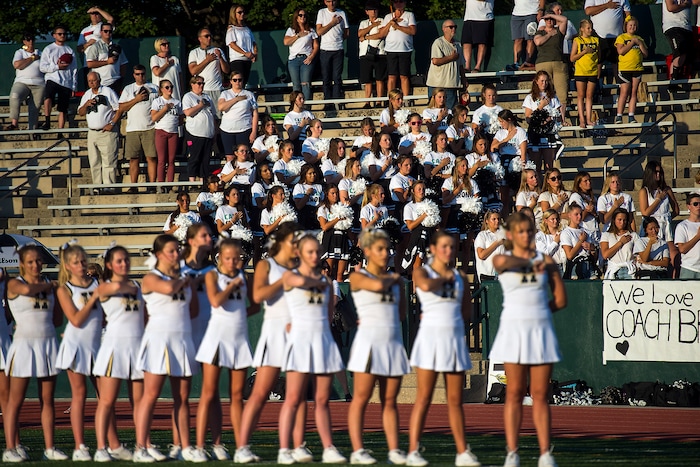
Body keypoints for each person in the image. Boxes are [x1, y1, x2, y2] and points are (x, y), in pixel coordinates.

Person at [490, 211, 566, 467]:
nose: (526, 235)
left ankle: (545, 453)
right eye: (521, 231)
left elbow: (560, 299)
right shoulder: (503, 257)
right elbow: (502, 265)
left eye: (529, 231)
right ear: (510, 234)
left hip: (541, 330)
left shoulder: (545, 259)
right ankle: (512, 452)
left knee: (540, 394)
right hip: (512, 331)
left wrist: (540, 311)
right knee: (513, 392)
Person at [235, 223, 310, 463]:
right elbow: (257, 296)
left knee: (297, 394)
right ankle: (242, 447)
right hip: (274, 332)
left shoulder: (301, 267)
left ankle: (296, 446)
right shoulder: (266, 265)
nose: (297, 246)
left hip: (296, 333)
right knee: (260, 393)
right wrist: (283, 281)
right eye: (293, 241)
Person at [408, 231, 481, 467]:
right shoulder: (423, 271)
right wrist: (446, 277)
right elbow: (426, 286)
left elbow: (466, 310)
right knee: (424, 398)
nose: (449, 251)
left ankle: (462, 452)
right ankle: (413, 451)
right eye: (444, 247)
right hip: (429, 340)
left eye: (452, 247)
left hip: (453, 341)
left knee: (455, 400)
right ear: (433, 249)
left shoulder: (460, 276)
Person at [133, 234, 204, 463]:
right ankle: (141, 447)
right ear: (158, 255)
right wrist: (188, 277)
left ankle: (184, 446)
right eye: (171, 251)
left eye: (177, 250)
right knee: (151, 395)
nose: (176, 255)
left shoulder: (184, 278)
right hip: (158, 340)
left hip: (182, 340)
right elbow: (170, 288)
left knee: (182, 398)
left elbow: (192, 310)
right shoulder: (151, 278)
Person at [277, 233, 347, 464]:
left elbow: (327, 316)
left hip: (322, 343)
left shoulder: (326, 283)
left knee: (322, 399)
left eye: (317, 251)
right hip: (299, 342)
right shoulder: (291, 278)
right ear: (299, 254)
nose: (315, 256)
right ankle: (287, 448)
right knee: (294, 398)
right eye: (310, 252)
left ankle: (328, 447)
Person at [347, 229, 409, 465]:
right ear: (368, 251)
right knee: (361, 397)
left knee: (390, 400)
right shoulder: (358, 277)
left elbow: (401, 314)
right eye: (380, 249)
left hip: (392, 343)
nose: (386, 253)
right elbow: (374, 287)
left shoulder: (395, 281)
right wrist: (395, 280)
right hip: (368, 344)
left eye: (387, 249)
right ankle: (357, 450)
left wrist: (397, 283)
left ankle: (394, 449)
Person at [2, 246, 69, 462]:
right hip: (23, 346)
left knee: (47, 399)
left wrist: (57, 293)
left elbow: (58, 319)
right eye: (30, 262)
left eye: (38, 261)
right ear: (21, 264)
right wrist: (52, 286)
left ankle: (50, 447)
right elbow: (27, 292)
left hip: (47, 344)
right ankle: (11, 448)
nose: (35, 265)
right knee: (15, 400)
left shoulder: (50, 287)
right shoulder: (14, 283)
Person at [54, 244, 118, 461]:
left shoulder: (96, 283)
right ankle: (80, 447)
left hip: (96, 345)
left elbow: (105, 316)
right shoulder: (65, 289)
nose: (81, 266)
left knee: (106, 397)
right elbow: (76, 319)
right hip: (76, 346)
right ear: (68, 266)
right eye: (76, 263)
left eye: (83, 261)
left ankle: (112, 445)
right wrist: (94, 298)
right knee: (79, 396)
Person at [195, 239, 256, 460]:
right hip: (216, 339)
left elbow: (255, 304)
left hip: (238, 339)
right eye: (228, 258)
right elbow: (215, 301)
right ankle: (201, 447)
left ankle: (241, 448)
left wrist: (239, 316)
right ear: (220, 257)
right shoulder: (213, 275)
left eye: (236, 258)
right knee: (209, 393)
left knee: (237, 396)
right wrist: (231, 286)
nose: (232, 262)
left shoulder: (245, 277)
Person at [92, 246, 149, 462]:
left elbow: (144, 319)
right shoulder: (104, 287)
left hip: (136, 348)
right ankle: (101, 448)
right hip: (113, 348)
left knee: (139, 402)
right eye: (118, 261)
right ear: (109, 265)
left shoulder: (136, 286)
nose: (124, 264)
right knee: (107, 401)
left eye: (126, 260)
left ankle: (141, 447)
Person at [77, 71, 121, 192]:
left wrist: (112, 123)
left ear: (99, 80)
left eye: (94, 80)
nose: (91, 83)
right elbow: (80, 113)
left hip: (107, 132)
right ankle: (97, 187)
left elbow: (119, 109)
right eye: (89, 81)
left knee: (109, 161)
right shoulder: (87, 94)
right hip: (92, 132)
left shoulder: (108, 92)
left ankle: (109, 187)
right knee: (94, 161)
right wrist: (86, 104)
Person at [119, 64, 159, 187]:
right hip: (133, 128)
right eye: (137, 74)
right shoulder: (128, 89)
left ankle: (152, 185)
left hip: (150, 127)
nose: (140, 76)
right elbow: (121, 108)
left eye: (142, 74)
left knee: (151, 157)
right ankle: (133, 186)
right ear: (133, 75)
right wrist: (136, 99)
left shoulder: (154, 88)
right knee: (133, 159)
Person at [638, 161, 679, 276]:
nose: (658, 175)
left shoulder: (666, 189)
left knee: (673, 255)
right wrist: (658, 199)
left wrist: (667, 218)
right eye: (655, 172)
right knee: (649, 255)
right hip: (650, 226)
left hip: (666, 226)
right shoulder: (644, 191)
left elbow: (676, 209)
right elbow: (645, 212)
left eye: (660, 172)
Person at [39, 26, 77, 131]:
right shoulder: (49, 49)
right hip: (53, 78)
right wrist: (57, 67)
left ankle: (60, 131)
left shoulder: (69, 50)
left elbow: (74, 69)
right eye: (60, 34)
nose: (62, 36)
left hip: (66, 82)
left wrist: (73, 86)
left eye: (64, 34)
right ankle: (47, 121)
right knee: (48, 98)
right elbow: (42, 67)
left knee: (63, 109)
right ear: (54, 35)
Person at [522, 71, 562, 172]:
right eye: (542, 81)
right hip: (535, 134)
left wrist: (549, 120)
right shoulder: (530, 98)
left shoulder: (553, 97)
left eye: (546, 81)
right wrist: (540, 106)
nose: (544, 83)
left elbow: (558, 115)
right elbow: (528, 118)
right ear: (536, 81)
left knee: (549, 166)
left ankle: (548, 187)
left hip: (548, 133)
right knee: (536, 167)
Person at [188, 28, 230, 119]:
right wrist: (207, 60)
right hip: (202, 90)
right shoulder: (194, 53)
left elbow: (226, 70)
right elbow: (193, 71)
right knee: (205, 116)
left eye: (210, 36)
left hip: (217, 89)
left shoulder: (217, 50)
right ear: (200, 39)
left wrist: (220, 58)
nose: (209, 38)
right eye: (206, 36)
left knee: (219, 117)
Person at [379, 0, 417, 98]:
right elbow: (382, 33)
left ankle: (405, 99)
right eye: (396, 2)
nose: (398, 4)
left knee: (404, 76)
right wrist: (390, 23)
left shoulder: (409, 15)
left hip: (405, 50)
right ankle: (391, 98)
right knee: (391, 76)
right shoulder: (388, 17)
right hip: (391, 50)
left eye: (401, 2)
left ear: (404, 3)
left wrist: (397, 26)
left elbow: (412, 31)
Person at [614, 16, 647, 124]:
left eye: (634, 25)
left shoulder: (639, 38)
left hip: (637, 68)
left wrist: (639, 43)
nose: (632, 27)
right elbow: (621, 51)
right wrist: (632, 43)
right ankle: (619, 115)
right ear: (626, 26)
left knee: (634, 92)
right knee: (624, 92)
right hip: (625, 68)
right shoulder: (621, 38)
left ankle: (631, 115)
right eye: (630, 25)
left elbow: (645, 54)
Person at [182, 75, 216, 183]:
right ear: (192, 84)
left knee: (205, 160)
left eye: (203, 83)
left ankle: (203, 181)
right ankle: (192, 181)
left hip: (208, 134)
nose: (201, 86)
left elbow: (213, 114)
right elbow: (187, 112)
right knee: (194, 158)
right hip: (195, 133)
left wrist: (214, 131)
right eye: (199, 83)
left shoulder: (208, 97)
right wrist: (199, 106)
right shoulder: (188, 96)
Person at [7, 34, 44, 131]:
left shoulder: (40, 53)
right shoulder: (20, 52)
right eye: (28, 40)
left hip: (38, 83)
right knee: (14, 96)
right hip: (22, 81)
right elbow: (17, 65)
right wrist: (31, 58)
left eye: (32, 39)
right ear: (24, 41)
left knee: (35, 107)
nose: (30, 42)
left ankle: (32, 129)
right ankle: (14, 123)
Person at [533, 11, 569, 106]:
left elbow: (564, 20)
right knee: (545, 91)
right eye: (547, 19)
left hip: (559, 63)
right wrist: (549, 34)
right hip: (543, 63)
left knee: (562, 93)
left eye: (551, 19)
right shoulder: (540, 32)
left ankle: (562, 118)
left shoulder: (559, 31)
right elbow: (538, 42)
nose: (549, 20)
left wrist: (551, 15)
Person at [316, 0, 349, 103]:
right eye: (329, 1)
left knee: (337, 77)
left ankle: (336, 101)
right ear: (325, 2)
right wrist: (332, 23)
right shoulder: (322, 12)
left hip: (338, 49)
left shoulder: (342, 13)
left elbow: (346, 32)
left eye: (333, 1)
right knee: (326, 78)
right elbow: (319, 31)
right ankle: (328, 102)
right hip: (325, 50)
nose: (332, 4)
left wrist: (338, 40)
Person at [219, 71, 259, 156]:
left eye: (239, 80)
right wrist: (236, 99)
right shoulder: (225, 94)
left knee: (244, 155)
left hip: (244, 129)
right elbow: (221, 107)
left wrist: (254, 131)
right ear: (231, 81)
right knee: (230, 157)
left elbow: (255, 113)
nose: (237, 82)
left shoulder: (249, 94)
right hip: (227, 130)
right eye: (235, 80)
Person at [151, 79, 183, 184]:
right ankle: (161, 183)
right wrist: (165, 109)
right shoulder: (157, 101)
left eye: (171, 87)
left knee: (171, 160)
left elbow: (180, 119)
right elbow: (154, 117)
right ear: (161, 89)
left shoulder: (177, 102)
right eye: (167, 87)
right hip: (161, 131)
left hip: (173, 132)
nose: (170, 89)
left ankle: (170, 183)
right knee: (161, 160)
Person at [426, 20, 463, 111]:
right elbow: (435, 61)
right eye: (451, 27)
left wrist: (464, 80)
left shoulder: (458, 44)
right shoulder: (438, 43)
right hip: (437, 84)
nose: (453, 29)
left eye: (455, 27)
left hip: (451, 84)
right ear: (444, 29)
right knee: (435, 111)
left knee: (451, 113)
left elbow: (461, 65)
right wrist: (451, 57)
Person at [318, 184, 352, 282]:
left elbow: (348, 225)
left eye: (336, 193)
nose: (335, 195)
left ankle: (340, 296)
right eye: (332, 193)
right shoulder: (323, 209)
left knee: (340, 275)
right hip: (330, 240)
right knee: (329, 272)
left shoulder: (343, 207)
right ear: (327, 194)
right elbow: (324, 227)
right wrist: (338, 218)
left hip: (343, 239)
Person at [570, 19, 600, 129]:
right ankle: (582, 119)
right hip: (581, 71)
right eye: (588, 28)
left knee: (589, 96)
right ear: (582, 29)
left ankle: (588, 119)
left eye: (591, 28)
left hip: (592, 71)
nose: (590, 30)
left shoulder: (595, 40)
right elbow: (572, 57)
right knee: (581, 96)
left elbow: (598, 57)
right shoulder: (577, 40)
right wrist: (584, 52)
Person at [285, 8, 319, 101]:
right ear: (296, 17)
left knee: (305, 83)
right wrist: (298, 35)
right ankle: (296, 106)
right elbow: (286, 42)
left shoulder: (311, 31)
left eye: (304, 15)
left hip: (306, 59)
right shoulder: (291, 30)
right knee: (296, 85)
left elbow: (316, 46)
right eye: (300, 15)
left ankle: (306, 107)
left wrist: (311, 56)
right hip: (294, 60)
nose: (303, 17)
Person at [584, 0, 631, 67]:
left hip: (618, 36)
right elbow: (588, 11)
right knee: (598, 61)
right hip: (598, 35)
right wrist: (606, 5)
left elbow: (627, 13)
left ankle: (618, 77)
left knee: (617, 63)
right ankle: (598, 77)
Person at [358, 1, 387, 108]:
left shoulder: (382, 21)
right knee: (367, 79)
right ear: (367, 12)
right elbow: (359, 33)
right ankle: (367, 102)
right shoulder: (363, 23)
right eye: (371, 10)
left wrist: (366, 37)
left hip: (379, 52)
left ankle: (379, 101)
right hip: (365, 53)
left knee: (380, 78)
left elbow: (380, 34)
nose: (373, 12)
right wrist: (372, 26)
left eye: (375, 10)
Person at [86, 23, 128, 93]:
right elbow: (90, 64)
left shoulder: (117, 47)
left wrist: (121, 78)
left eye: (110, 31)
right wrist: (107, 62)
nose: (108, 33)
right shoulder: (96, 46)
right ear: (101, 32)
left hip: (116, 82)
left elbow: (123, 63)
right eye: (105, 31)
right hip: (102, 83)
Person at [560, 203, 597, 279]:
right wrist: (580, 241)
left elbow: (594, 255)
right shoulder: (566, 232)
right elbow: (570, 255)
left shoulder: (586, 231)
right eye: (576, 214)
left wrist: (592, 248)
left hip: (588, 265)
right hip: (575, 266)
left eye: (580, 214)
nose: (579, 217)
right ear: (569, 215)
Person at [600, 208, 638, 279]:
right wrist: (620, 242)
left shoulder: (633, 235)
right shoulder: (606, 235)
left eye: (624, 220)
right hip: (614, 270)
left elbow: (638, 255)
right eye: (619, 220)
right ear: (614, 220)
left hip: (629, 271)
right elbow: (605, 255)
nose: (622, 223)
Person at [663, 0, 694, 84]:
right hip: (673, 25)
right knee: (680, 52)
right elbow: (671, 7)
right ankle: (674, 79)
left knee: (686, 54)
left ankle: (675, 78)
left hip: (686, 26)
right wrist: (684, 5)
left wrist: (688, 3)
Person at [226, 4, 257, 85]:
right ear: (234, 14)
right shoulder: (232, 29)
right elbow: (232, 44)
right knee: (238, 82)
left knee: (244, 82)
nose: (242, 14)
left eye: (243, 12)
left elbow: (253, 42)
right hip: (237, 59)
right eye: (239, 12)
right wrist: (244, 53)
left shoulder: (247, 29)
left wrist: (255, 53)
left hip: (247, 59)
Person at [509, 0, 544, 70]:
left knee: (530, 39)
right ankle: (516, 63)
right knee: (517, 39)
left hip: (532, 12)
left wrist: (541, 10)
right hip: (517, 13)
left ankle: (527, 62)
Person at [461, 0, 495, 73]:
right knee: (466, 42)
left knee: (482, 43)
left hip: (484, 18)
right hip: (469, 17)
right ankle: (467, 67)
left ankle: (478, 67)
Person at [674, 192, 700, 278]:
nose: (698, 206)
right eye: (695, 204)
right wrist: (697, 237)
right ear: (688, 206)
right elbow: (682, 249)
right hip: (689, 268)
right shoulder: (682, 226)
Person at [474, 211, 506, 282]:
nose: (497, 221)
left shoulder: (504, 234)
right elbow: (481, 255)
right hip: (487, 274)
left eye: (498, 219)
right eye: (494, 219)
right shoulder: (482, 235)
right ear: (487, 221)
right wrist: (497, 243)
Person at [536, 209, 567, 274]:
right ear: (546, 220)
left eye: (557, 219)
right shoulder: (540, 236)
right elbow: (543, 255)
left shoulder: (563, 233)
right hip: (549, 267)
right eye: (552, 219)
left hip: (564, 265)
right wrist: (555, 243)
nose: (555, 221)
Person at [283, 91, 315, 156]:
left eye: (303, 98)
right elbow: (292, 136)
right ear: (294, 100)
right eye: (300, 99)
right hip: (297, 145)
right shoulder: (289, 116)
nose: (302, 101)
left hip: (308, 143)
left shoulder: (308, 114)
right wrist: (301, 125)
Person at [293, 163, 324, 230]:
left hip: (317, 213)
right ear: (305, 175)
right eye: (310, 173)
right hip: (305, 215)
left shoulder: (319, 187)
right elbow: (299, 206)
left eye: (314, 173)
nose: (313, 175)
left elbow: (322, 201)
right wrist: (307, 194)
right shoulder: (299, 187)